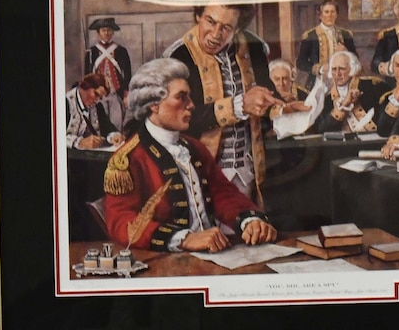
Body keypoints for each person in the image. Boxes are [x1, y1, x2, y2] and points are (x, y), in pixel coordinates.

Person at [102, 59, 277, 253]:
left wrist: (249, 220)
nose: (191, 105)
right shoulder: (129, 158)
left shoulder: (194, 147)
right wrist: (184, 239)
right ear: (154, 105)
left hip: (214, 255)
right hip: (164, 261)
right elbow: (121, 223)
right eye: (181, 97)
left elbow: (222, 193)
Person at [165, 0, 277, 204]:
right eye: (210, 21)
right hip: (198, 176)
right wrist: (239, 106)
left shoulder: (254, 49)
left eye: (226, 27)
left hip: (248, 172)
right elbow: (177, 120)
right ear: (198, 15)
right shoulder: (177, 58)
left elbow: (267, 98)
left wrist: (282, 109)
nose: (216, 34)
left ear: (237, 29)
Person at [82, 18, 132, 129]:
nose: (106, 33)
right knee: (99, 125)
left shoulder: (121, 51)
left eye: (109, 30)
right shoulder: (91, 52)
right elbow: (87, 75)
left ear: (113, 32)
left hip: (116, 93)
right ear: (98, 33)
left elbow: (127, 74)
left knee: (117, 122)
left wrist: (126, 95)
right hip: (98, 94)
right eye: (103, 30)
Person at [314, 51, 376, 134]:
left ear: (353, 69)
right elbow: (321, 129)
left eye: (342, 69)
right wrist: (344, 105)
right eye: (334, 69)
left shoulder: (371, 86)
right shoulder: (328, 99)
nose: (337, 74)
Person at [296, 0, 356, 84]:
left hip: (342, 79)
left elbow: (356, 59)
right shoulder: (310, 36)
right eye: (326, 12)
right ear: (320, 15)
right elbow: (301, 62)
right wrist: (320, 69)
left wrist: (346, 51)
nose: (330, 15)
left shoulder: (346, 34)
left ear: (336, 15)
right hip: (318, 80)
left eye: (332, 12)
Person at [66, 73, 122, 149]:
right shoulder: (66, 103)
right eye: (96, 94)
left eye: (100, 98)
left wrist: (113, 136)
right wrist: (79, 142)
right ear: (85, 86)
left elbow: (108, 128)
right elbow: (56, 137)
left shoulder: (97, 106)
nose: (97, 100)